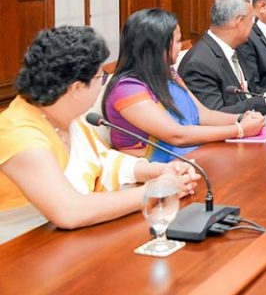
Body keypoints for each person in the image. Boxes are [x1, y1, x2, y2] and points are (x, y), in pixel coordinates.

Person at [0, 26, 200, 243]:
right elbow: (70, 211)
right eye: (100, 78)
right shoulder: (20, 135)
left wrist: (158, 171)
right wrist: (159, 190)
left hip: (70, 239)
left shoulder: (62, 115)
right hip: (21, 249)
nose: (102, 84)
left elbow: (104, 160)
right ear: (76, 88)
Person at [103, 9, 265, 163]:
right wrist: (239, 130)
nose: (181, 47)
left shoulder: (168, 73)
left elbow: (203, 115)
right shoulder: (126, 88)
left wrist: (241, 118)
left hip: (193, 155)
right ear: (157, 47)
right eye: (178, 41)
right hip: (156, 169)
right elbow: (176, 135)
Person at [179, 0, 266, 113]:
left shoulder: (236, 49)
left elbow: (249, 94)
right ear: (239, 21)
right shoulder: (199, 64)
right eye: (251, 20)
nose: (253, 25)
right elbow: (216, 115)